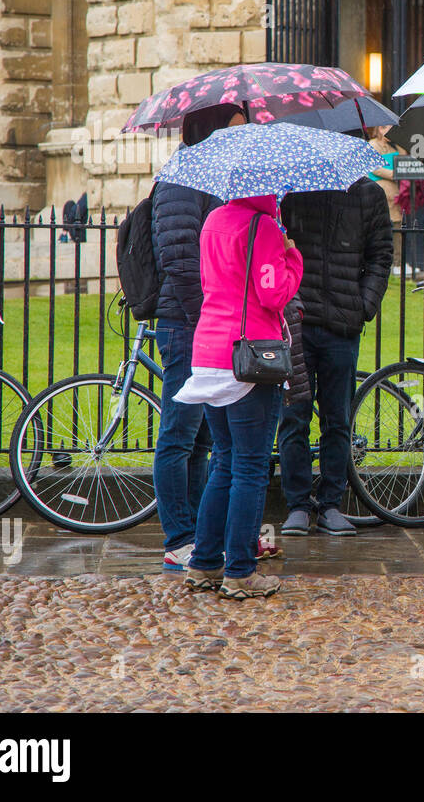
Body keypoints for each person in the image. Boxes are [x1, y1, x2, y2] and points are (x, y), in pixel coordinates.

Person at [178, 193, 303, 599]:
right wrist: (292, 256)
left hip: (209, 352)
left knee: (224, 463)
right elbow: (273, 293)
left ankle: (204, 563)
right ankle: (241, 572)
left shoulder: (213, 218)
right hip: (249, 355)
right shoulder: (263, 227)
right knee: (249, 467)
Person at [277, 173, 394, 536]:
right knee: (293, 416)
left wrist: (364, 306)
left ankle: (330, 504)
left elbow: (380, 255)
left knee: (337, 418)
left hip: (342, 323)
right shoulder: (293, 188)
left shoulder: (368, 194)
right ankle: (297, 504)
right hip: (297, 319)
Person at [150, 105, 229, 572]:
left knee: (199, 438)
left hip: (200, 324)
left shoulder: (208, 176)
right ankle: (178, 535)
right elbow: (179, 261)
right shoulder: (183, 178)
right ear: (210, 130)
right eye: (234, 129)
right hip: (185, 325)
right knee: (178, 435)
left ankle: (197, 531)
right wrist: (208, 321)